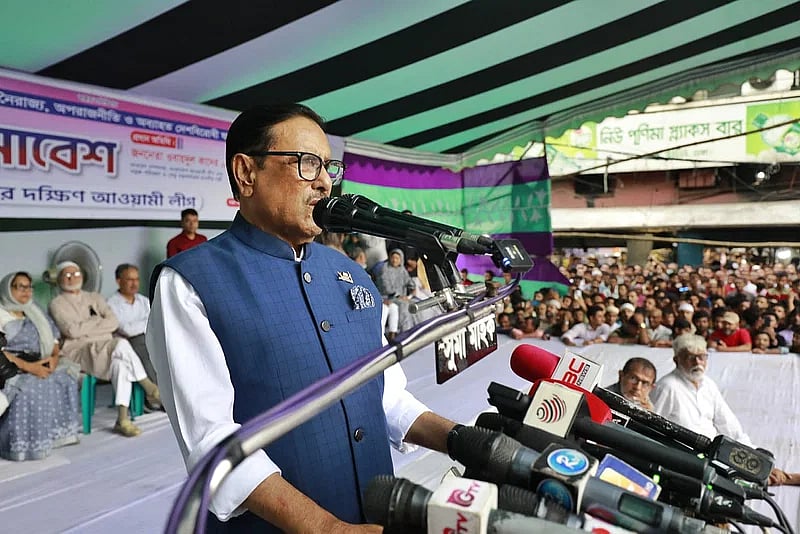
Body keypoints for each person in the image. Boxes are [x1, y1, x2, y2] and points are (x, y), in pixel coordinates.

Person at [146, 103, 458, 533]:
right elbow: (214, 443)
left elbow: (385, 397)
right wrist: (327, 528)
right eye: (307, 164)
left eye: (329, 166)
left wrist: (465, 442)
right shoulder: (190, 283)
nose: (326, 182)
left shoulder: (349, 273)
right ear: (246, 172)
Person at [48, 261, 161, 437]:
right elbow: (71, 331)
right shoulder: (57, 303)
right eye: (67, 275)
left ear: (83, 276)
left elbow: (113, 322)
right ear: (60, 278)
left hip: (105, 348)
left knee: (120, 364)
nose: (72, 278)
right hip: (79, 350)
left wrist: (86, 327)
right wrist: (98, 322)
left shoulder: (94, 297)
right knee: (121, 344)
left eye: (76, 274)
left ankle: (122, 419)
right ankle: (149, 387)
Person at [0, 271, 81, 460]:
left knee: (65, 377)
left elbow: (53, 341)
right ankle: (23, 446)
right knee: (28, 387)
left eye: (29, 287)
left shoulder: (34, 309)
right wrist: (31, 368)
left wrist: (53, 360)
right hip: (13, 365)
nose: (26, 291)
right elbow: (1, 353)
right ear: (7, 289)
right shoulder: (1, 313)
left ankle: (54, 437)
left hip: (43, 360)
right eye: (20, 287)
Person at [651, 335, 751, 444]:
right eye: (690, 357)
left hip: (708, 450)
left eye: (702, 357)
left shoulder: (708, 384)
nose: (697, 362)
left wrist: (748, 447)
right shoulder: (667, 386)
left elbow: (727, 423)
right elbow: (652, 427)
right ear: (676, 360)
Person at [106, 264, 159, 389]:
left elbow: (155, 322)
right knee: (144, 347)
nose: (134, 284)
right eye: (130, 280)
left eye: (137, 279)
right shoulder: (111, 304)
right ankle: (157, 396)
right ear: (119, 281)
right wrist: (146, 323)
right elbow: (126, 330)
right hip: (128, 343)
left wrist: (142, 325)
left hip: (149, 337)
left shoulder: (144, 301)